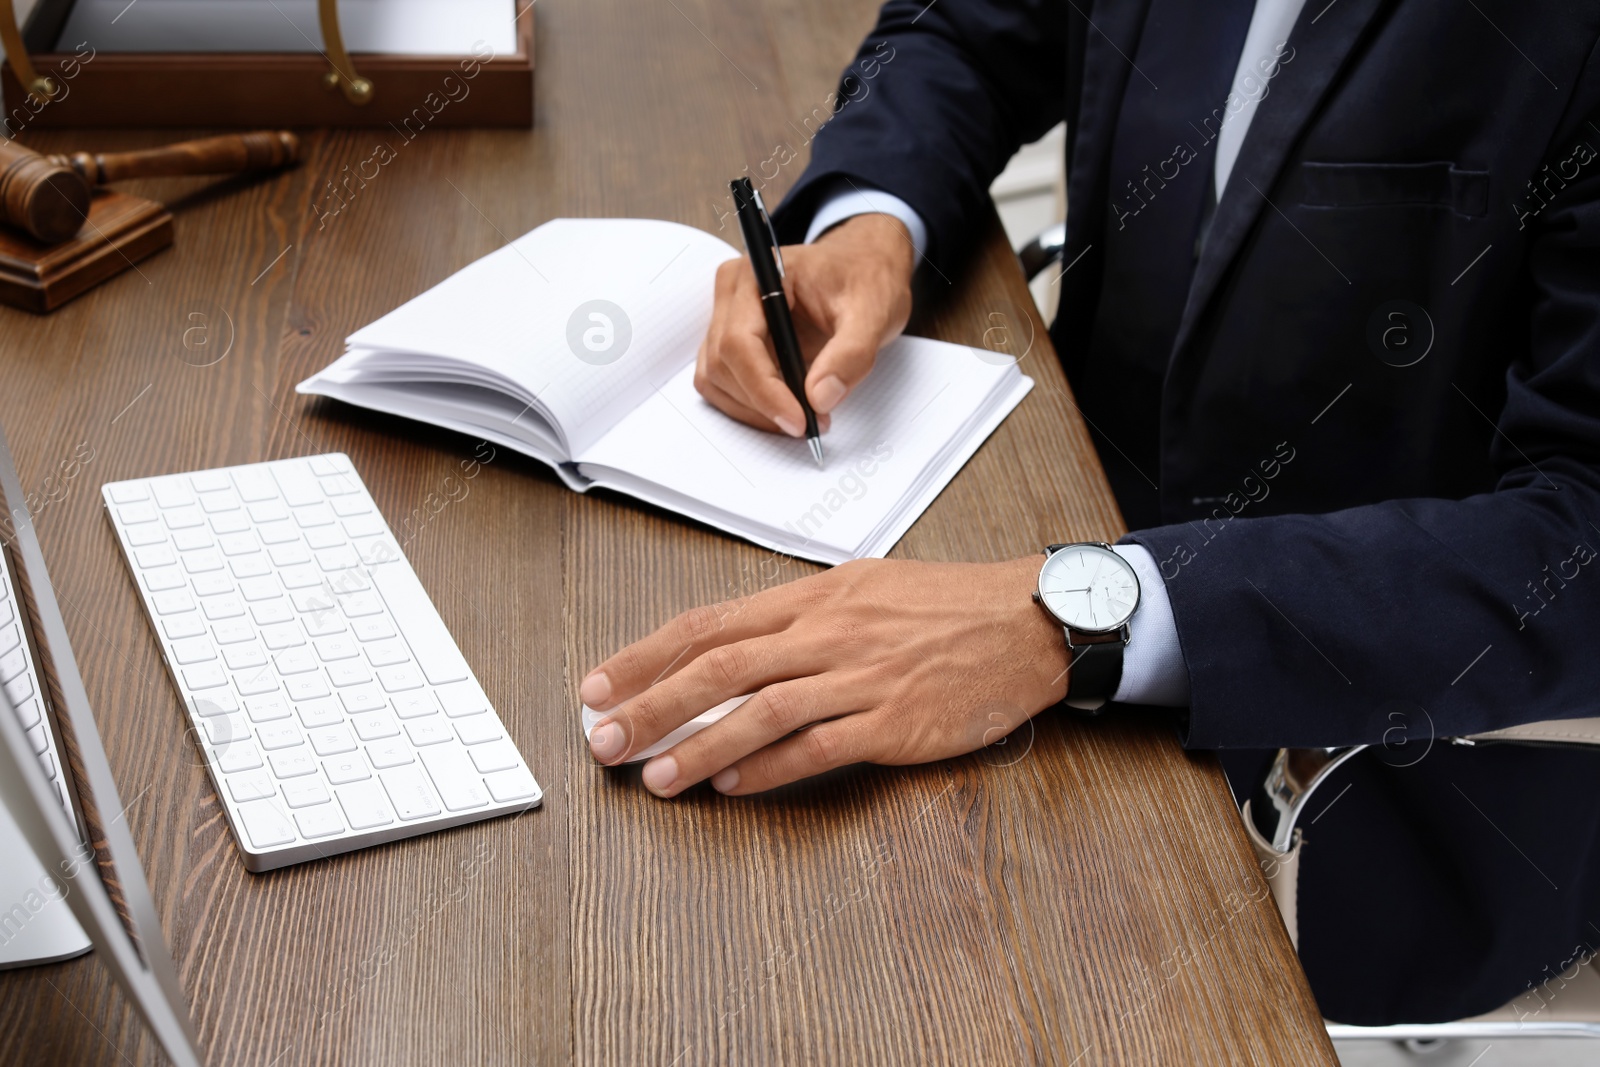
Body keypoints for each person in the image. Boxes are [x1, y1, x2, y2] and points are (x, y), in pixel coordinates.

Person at [582, 0, 1600, 1026]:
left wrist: (1082, 615)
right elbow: (965, 28)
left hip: (1361, 783)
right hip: (1032, 536)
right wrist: (874, 218)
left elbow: (1583, 536)